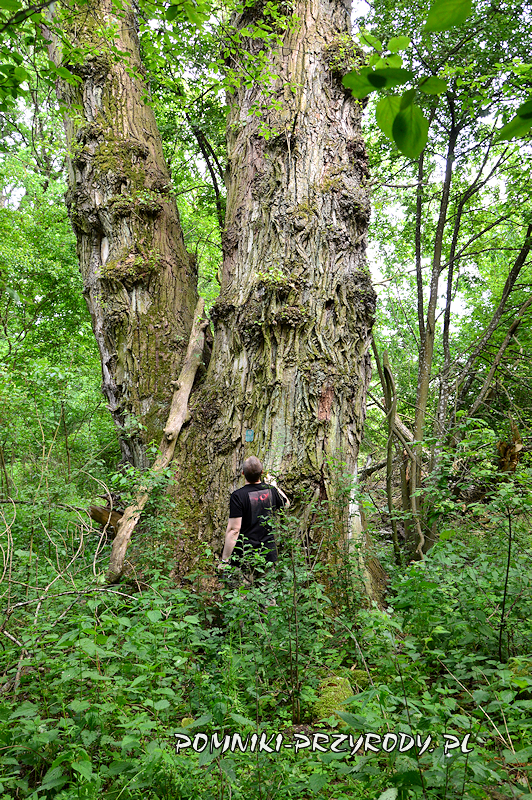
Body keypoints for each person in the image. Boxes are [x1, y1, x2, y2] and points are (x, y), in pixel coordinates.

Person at [219, 456, 287, 577]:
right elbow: (286, 503)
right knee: (266, 593)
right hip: (268, 555)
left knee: (241, 592)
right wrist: (274, 485)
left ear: (243, 473)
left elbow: (234, 530)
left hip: (244, 555)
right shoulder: (271, 490)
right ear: (261, 473)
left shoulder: (238, 496)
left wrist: (225, 560)